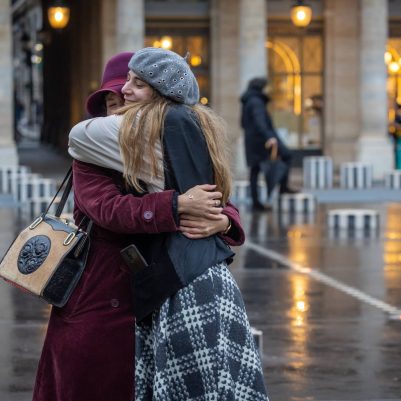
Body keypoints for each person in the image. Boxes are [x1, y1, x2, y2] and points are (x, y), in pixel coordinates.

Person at [32, 52, 244, 401]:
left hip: (158, 287)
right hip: (99, 290)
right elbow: (107, 210)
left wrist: (223, 220)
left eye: (129, 93)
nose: (119, 106)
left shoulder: (170, 138)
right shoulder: (90, 150)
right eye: (111, 101)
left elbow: (215, 190)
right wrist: (176, 205)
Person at [241, 76, 297, 211]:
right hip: (262, 141)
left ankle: (256, 203)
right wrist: (269, 137)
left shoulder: (249, 100)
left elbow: (243, 123)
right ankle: (282, 188)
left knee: (254, 171)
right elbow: (260, 121)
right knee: (287, 155)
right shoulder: (256, 102)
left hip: (253, 141)